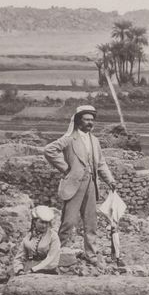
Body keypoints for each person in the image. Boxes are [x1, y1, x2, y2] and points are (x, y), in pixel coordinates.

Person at [42, 104, 118, 260]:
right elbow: (49, 150)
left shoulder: (95, 141)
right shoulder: (69, 138)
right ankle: (57, 252)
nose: (90, 123)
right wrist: (66, 169)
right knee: (68, 222)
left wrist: (110, 180)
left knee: (91, 222)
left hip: (91, 184)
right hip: (74, 185)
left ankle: (91, 254)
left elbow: (101, 163)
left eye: (92, 120)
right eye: (86, 119)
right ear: (78, 121)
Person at [21, 205, 61, 273]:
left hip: (47, 270)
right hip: (29, 268)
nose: (44, 226)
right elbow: (20, 256)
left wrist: (34, 269)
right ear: (34, 221)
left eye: (47, 223)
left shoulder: (53, 236)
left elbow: (52, 258)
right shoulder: (29, 236)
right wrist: (19, 269)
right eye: (42, 222)